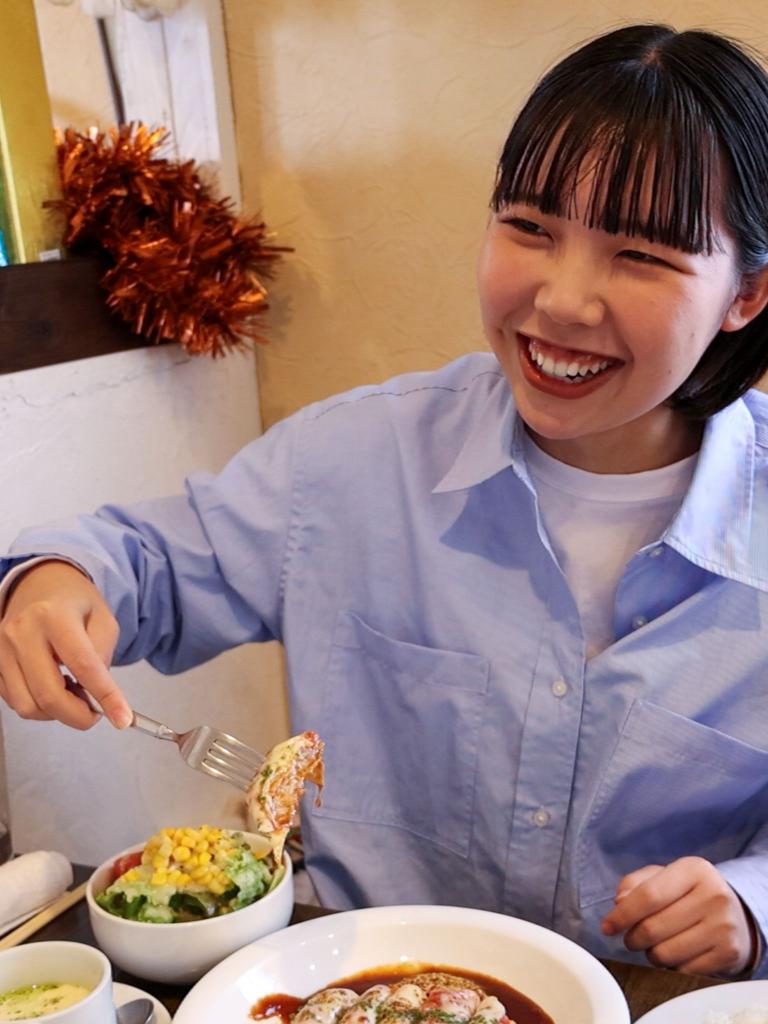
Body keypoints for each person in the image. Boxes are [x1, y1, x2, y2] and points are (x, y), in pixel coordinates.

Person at [2, 22, 768, 980]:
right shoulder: (353, 461)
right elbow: (146, 565)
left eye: (642, 255)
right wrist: (51, 581)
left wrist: (751, 903)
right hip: (360, 990)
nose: (564, 301)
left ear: (746, 293)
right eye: (531, 228)